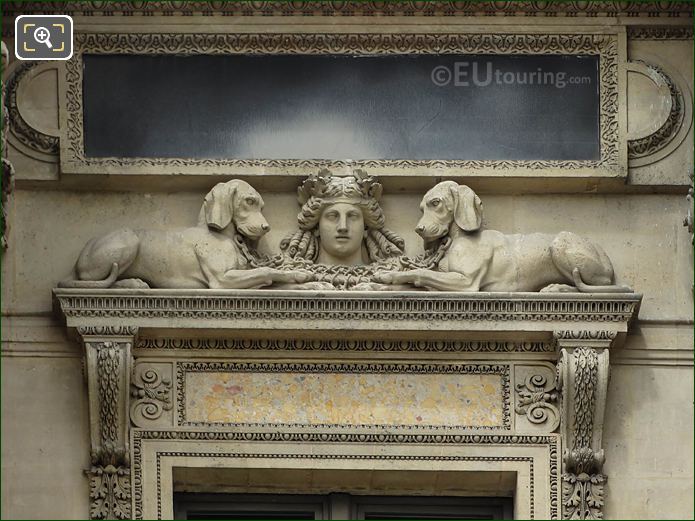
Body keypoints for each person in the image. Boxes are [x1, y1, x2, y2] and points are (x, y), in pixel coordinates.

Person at [280, 169, 404, 267]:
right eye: (332, 216)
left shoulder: (394, 275)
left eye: (353, 216)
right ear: (316, 226)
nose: (343, 227)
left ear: (366, 227)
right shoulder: (288, 276)